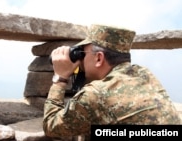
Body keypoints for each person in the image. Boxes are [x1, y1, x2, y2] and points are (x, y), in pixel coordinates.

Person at [43, 24, 182, 138]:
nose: (81, 60)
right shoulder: (144, 74)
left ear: (99, 58)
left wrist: (60, 77)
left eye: (83, 54)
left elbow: (51, 126)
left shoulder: (96, 94)